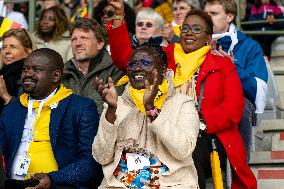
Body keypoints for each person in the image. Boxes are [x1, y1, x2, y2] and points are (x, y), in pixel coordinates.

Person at [105, 2, 257, 187]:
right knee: (126, 167)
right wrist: (119, 18)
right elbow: (126, 61)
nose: (189, 32)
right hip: (158, 130)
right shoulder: (164, 56)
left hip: (204, 137)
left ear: (208, 38)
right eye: (185, 28)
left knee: (187, 160)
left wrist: (196, 122)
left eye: (196, 29)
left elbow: (232, 110)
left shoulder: (223, 65)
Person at [92, 44, 200, 188]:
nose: (137, 68)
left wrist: (151, 110)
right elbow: (101, 157)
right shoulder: (116, 104)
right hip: (121, 185)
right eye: (133, 63)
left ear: (162, 70)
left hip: (171, 184)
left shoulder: (182, 103)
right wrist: (111, 112)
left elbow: (183, 151)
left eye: (145, 63)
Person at [0, 48, 102, 188]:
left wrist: (53, 179)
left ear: (55, 76)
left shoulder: (80, 107)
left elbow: (90, 162)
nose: (28, 74)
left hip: (60, 185)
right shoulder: (12, 108)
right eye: (25, 69)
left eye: (36, 69)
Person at [204, 0, 268, 161]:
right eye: (205, 14)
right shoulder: (193, 42)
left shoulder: (250, 46)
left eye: (214, 14)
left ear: (229, 16)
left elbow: (258, 89)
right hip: (203, 102)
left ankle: (239, 172)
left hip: (239, 106)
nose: (207, 18)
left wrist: (232, 68)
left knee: (241, 105)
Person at [62, 17, 124, 114]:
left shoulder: (116, 71)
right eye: (74, 39)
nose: (77, 43)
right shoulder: (63, 73)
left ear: (100, 43)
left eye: (84, 38)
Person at [0, 28, 34, 114]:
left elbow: (28, 114)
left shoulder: (31, 78)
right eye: (4, 47)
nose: (7, 51)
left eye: (13, 47)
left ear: (28, 52)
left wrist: (6, 96)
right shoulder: (3, 75)